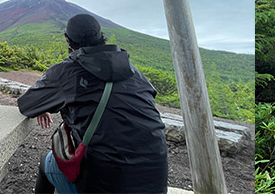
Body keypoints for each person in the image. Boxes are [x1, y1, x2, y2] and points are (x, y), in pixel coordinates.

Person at [18, 14, 168, 193]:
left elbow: (27, 104)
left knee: (46, 162)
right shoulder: (133, 71)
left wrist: (43, 106)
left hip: (105, 186)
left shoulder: (67, 70)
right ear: (101, 36)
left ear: (68, 41)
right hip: (156, 183)